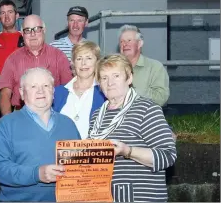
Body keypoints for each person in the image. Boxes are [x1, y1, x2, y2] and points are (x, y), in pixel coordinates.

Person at [88, 54, 177, 202]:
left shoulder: (147, 109)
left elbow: (168, 156)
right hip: (105, 196)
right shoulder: (97, 116)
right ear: (99, 84)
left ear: (129, 78)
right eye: (104, 78)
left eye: (116, 76)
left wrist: (128, 151)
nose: (110, 82)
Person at [0, 67, 81, 202]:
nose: (41, 91)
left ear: (53, 91)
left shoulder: (68, 124)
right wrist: (36, 174)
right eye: (33, 86)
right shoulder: (6, 124)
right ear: (22, 93)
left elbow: (81, 165)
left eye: (46, 85)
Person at [0, 14, 73, 116]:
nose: (32, 34)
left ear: (44, 30)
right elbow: (4, 94)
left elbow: (69, 90)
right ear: (22, 34)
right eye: (28, 30)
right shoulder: (12, 60)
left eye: (37, 29)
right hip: (21, 115)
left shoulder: (59, 56)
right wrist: (9, 123)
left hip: (53, 114)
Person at [53, 41, 106, 139]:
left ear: (97, 62)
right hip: (59, 152)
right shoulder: (57, 93)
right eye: (79, 58)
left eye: (89, 58)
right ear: (73, 63)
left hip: (93, 152)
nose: (83, 63)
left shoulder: (105, 93)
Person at [118, 24, 170, 106]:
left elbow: (161, 98)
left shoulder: (155, 67)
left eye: (129, 40)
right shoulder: (113, 68)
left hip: (144, 116)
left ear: (139, 44)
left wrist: (132, 92)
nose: (125, 44)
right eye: (122, 41)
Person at [0, 0, 24, 75]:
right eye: (3, 13)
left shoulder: (26, 38)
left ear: (17, 16)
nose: (7, 16)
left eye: (10, 12)